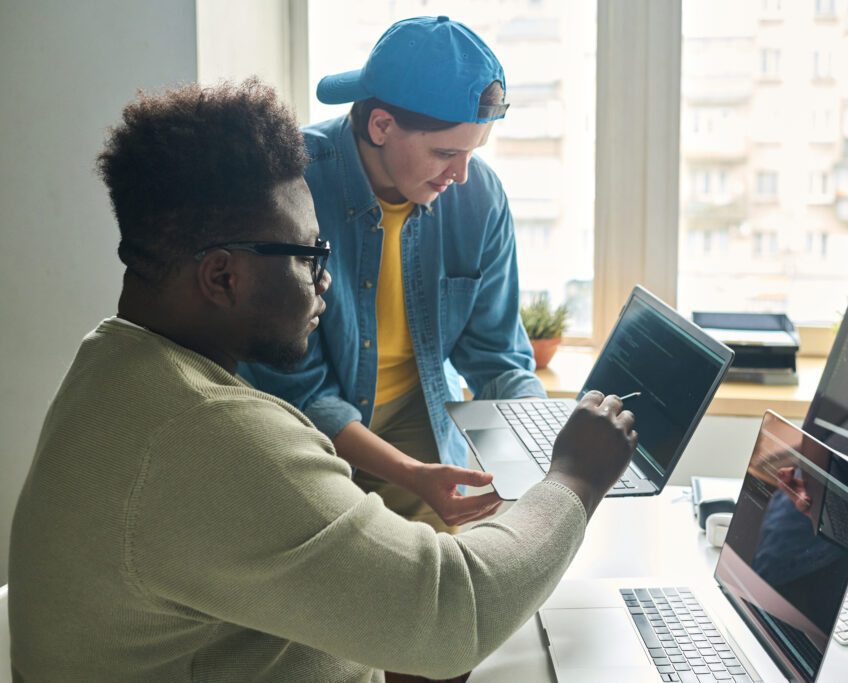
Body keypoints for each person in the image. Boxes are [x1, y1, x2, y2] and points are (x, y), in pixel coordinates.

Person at [7, 79, 638, 682]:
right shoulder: (211, 437)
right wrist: (573, 478)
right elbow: (454, 615)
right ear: (223, 277)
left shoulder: (114, 362)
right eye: (311, 255)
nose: (325, 281)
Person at [240, 16, 544, 532]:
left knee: (443, 581)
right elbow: (295, 387)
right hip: (298, 422)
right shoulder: (290, 184)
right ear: (381, 125)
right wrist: (408, 472)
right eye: (446, 152)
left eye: (473, 151)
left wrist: (546, 439)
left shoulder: (479, 197)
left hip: (415, 407)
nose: (462, 175)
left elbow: (495, 356)